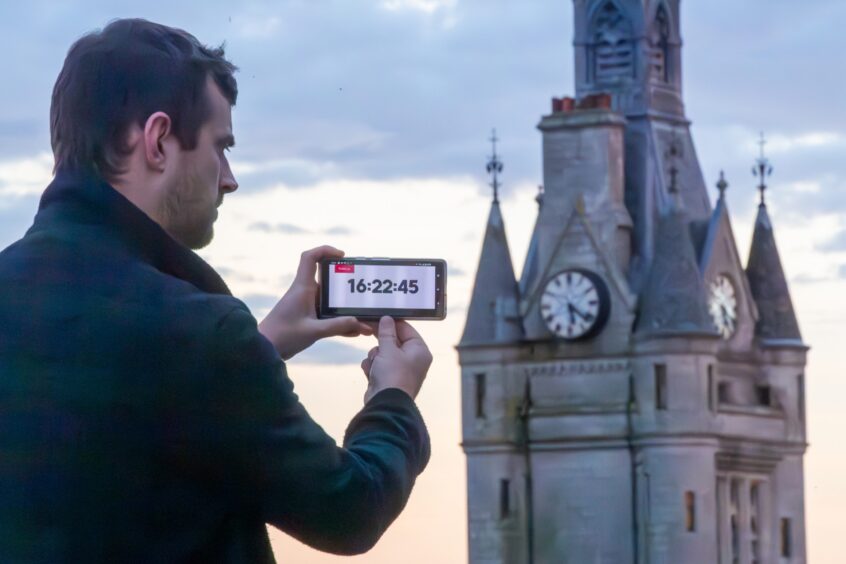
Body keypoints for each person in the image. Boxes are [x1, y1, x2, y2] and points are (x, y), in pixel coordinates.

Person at [0, 18, 431, 563]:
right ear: (157, 140)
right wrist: (393, 399)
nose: (228, 177)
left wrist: (262, 346)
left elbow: (118, 418)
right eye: (220, 147)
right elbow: (350, 510)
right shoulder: (199, 335)